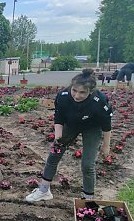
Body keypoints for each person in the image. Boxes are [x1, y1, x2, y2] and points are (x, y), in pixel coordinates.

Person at [25, 69, 112, 203]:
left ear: (91, 91)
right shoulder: (63, 96)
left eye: (82, 92)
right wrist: (58, 137)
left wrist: (106, 146)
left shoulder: (99, 101)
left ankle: (88, 200)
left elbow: (106, 124)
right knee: (54, 155)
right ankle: (44, 190)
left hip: (92, 128)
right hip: (71, 125)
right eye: (74, 90)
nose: (77, 95)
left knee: (87, 165)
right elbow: (59, 117)